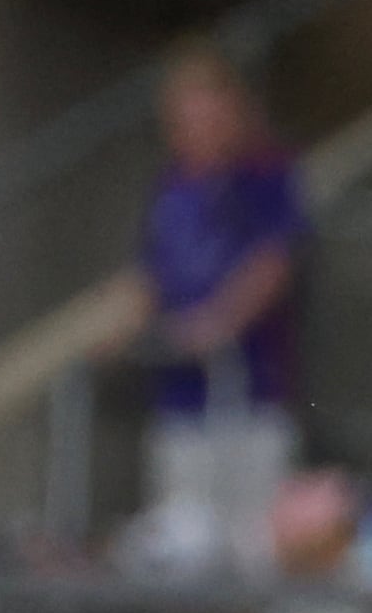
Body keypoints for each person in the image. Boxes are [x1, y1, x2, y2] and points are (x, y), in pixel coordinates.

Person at [113, 45, 308, 577]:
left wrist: (218, 323)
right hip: (181, 390)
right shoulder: (172, 186)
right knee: (183, 525)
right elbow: (151, 270)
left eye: (208, 114)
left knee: (250, 533)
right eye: (185, 118)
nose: (197, 130)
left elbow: (273, 264)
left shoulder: (265, 177)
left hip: (248, 387)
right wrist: (130, 326)